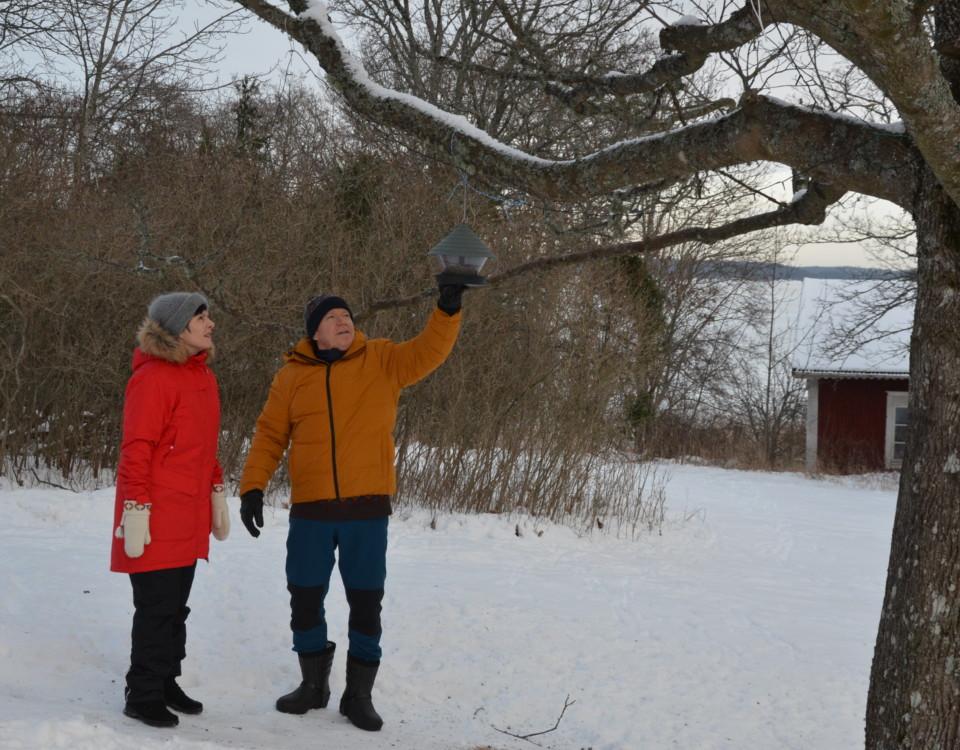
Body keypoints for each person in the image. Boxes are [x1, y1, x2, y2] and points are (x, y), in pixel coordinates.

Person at [238, 279, 466, 732]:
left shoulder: (381, 359)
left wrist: (447, 308)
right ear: (315, 333)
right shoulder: (292, 375)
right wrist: (252, 487)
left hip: (366, 510)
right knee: (304, 597)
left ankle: (358, 695)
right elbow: (269, 435)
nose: (344, 322)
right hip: (312, 511)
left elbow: (428, 352)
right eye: (332, 318)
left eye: (347, 316)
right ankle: (313, 685)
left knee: (366, 602)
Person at [110, 292, 230, 728]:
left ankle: (164, 681)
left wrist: (216, 489)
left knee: (177, 607)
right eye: (201, 317)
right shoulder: (153, 378)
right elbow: (136, 449)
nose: (210, 323)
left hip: (190, 513)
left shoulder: (203, 379)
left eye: (208, 316)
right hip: (157, 515)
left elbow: (204, 448)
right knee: (156, 608)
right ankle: (141, 693)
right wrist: (136, 508)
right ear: (179, 327)